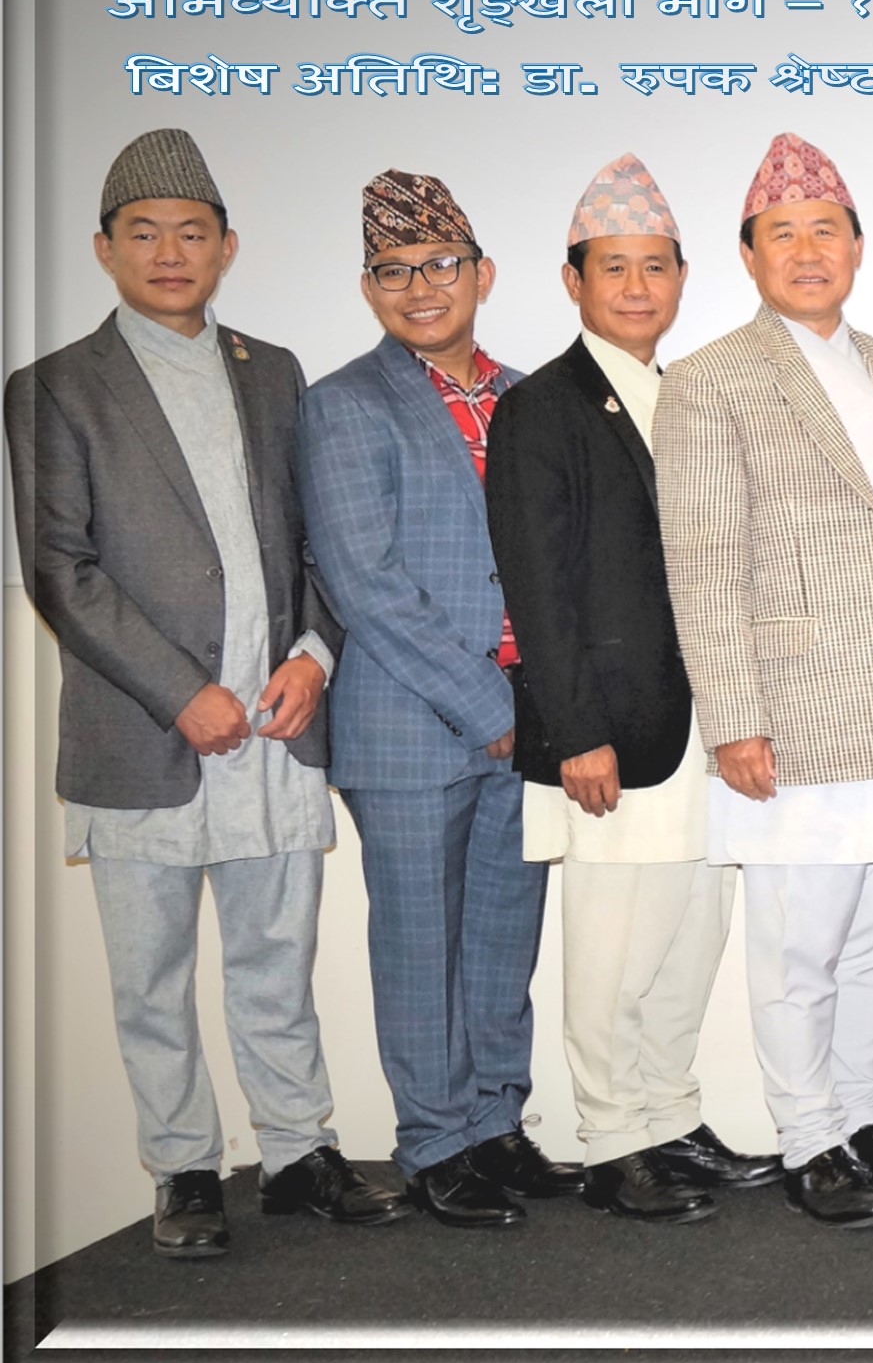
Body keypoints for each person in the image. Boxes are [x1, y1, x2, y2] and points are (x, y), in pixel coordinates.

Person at [4, 129, 406, 1258]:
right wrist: (180, 691)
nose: (170, 253)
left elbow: (320, 540)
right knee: (151, 979)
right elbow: (61, 569)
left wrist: (313, 656)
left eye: (192, 233)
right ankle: (183, 1170)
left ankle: (297, 1153)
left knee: (277, 963)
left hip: (276, 723)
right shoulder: (53, 389)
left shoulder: (272, 371)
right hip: (143, 737)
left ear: (228, 247)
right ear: (105, 249)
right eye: (145, 234)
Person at [654, 132, 873, 1229]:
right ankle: (807, 1138)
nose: (808, 251)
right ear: (749, 255)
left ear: (858, 247)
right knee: (797, 946)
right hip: (793, 710)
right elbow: (701, 560)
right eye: (784, 234)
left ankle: (862, 1121)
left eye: (827, 230)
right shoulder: (710, 380)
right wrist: (733, 717)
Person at [484, 153, 782, 1226]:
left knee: (689, 934)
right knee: (615, 947)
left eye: (656, 266)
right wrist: (575, 732)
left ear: (684, 277)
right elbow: (537, 585)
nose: (637, 286)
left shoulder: (693, 392)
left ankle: (669, 1115)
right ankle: (613, 1140)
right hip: (611, 731)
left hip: (706, 724)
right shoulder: (543, 407)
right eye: (613, 267)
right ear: (573, 281)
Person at [298, 169, 581, 1227]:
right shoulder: (343, 405)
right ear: (368, 288)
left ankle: (496, 1123)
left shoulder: (531, 397)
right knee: (420, 943)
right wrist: (490, 705)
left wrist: (543, 706)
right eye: (393, 271)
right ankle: (434, 1144)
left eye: (440, 264)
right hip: (410, 723)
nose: (420, 287)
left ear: (482, 273)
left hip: (530, 718)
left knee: (504, 935)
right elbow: (364, 582)